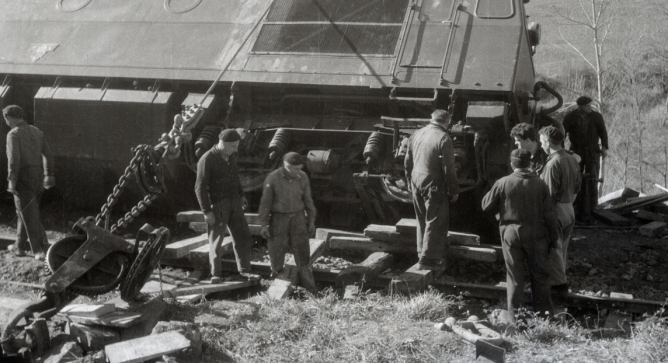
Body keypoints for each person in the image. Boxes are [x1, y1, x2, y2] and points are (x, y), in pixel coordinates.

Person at [482, 149, 558, 321]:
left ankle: (516, 321)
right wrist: (553, 239)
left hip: (510, 234)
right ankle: (544, 318)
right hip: (536, 235)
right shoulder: (540, 184)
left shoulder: (503, 182)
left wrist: (500, 222)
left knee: (514, 277)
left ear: (512, 163)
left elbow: (485, 206)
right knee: (540, 276)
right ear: (529, 164)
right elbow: (550, 216)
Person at [195, 129, 254, 283]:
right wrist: (206, 211)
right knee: (217, 239)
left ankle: (245, 271)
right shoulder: (207, 159)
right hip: (220, 207)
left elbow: (235, 177)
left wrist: (241, 196)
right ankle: (216, 274)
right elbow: (199, 188)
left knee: (243, 235)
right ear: (223, 144)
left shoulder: (231, 156)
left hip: (234, 203)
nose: (236, 149)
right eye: (234, 146)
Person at [404, 109, 460, 271]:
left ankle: (421, 252)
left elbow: (408, 161)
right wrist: (454, 189)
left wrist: (409, 181)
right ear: (447, 122)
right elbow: (448, 168)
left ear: (432, 118)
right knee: (435, 220)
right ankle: (429, 259)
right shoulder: (444, 138)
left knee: (421, 217)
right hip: (433, 183)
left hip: (416, 180)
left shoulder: (417, 133)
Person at [259, 152, 318, 293]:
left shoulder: (302, 177)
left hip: (298, 218)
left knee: (303, 253)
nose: (298, 172)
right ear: (285, 166)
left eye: (299, 168)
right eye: (294, 168)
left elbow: (308, 201)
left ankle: (310, 289)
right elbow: (265, 204)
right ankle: (275, 285)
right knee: (276, 252)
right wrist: (263, 225)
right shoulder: (272, 178)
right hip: (279, 219)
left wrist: (311, 221)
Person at [3, 105, 55, 261]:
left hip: (23, 177)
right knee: (25, 212)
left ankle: (40, 250)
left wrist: (11, 181)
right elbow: (48, 154)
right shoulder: (36, 131)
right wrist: (48, 174)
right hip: (38, 176)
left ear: (9, 118)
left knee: (29, 213)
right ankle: (19, 246)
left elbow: (14, 161)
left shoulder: (13, 134)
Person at [539, 126, 581, 296]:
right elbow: (578, 187)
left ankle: (558, 288)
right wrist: (568, 203)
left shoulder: (552, 163)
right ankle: (560, 281)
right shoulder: (571, 159)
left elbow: (548, 196)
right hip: (569, 208)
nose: (541, 145)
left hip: (555, 210)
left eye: (542, 141)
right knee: (561, 249)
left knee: (552, 249)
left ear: (548, 142)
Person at [562, 96, 609, 222]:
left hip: (592, 151)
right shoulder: (570, 117)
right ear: (580, 107)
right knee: (575, 178)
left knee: (592, 178)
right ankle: (576, 206)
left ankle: (593, 206)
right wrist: (561, 150)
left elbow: (603, 133)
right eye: (587, 106)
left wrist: (604, 148)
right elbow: (562, 133)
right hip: (576, 150)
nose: (590, 108)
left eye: (590, 105)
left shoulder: (596, 117)